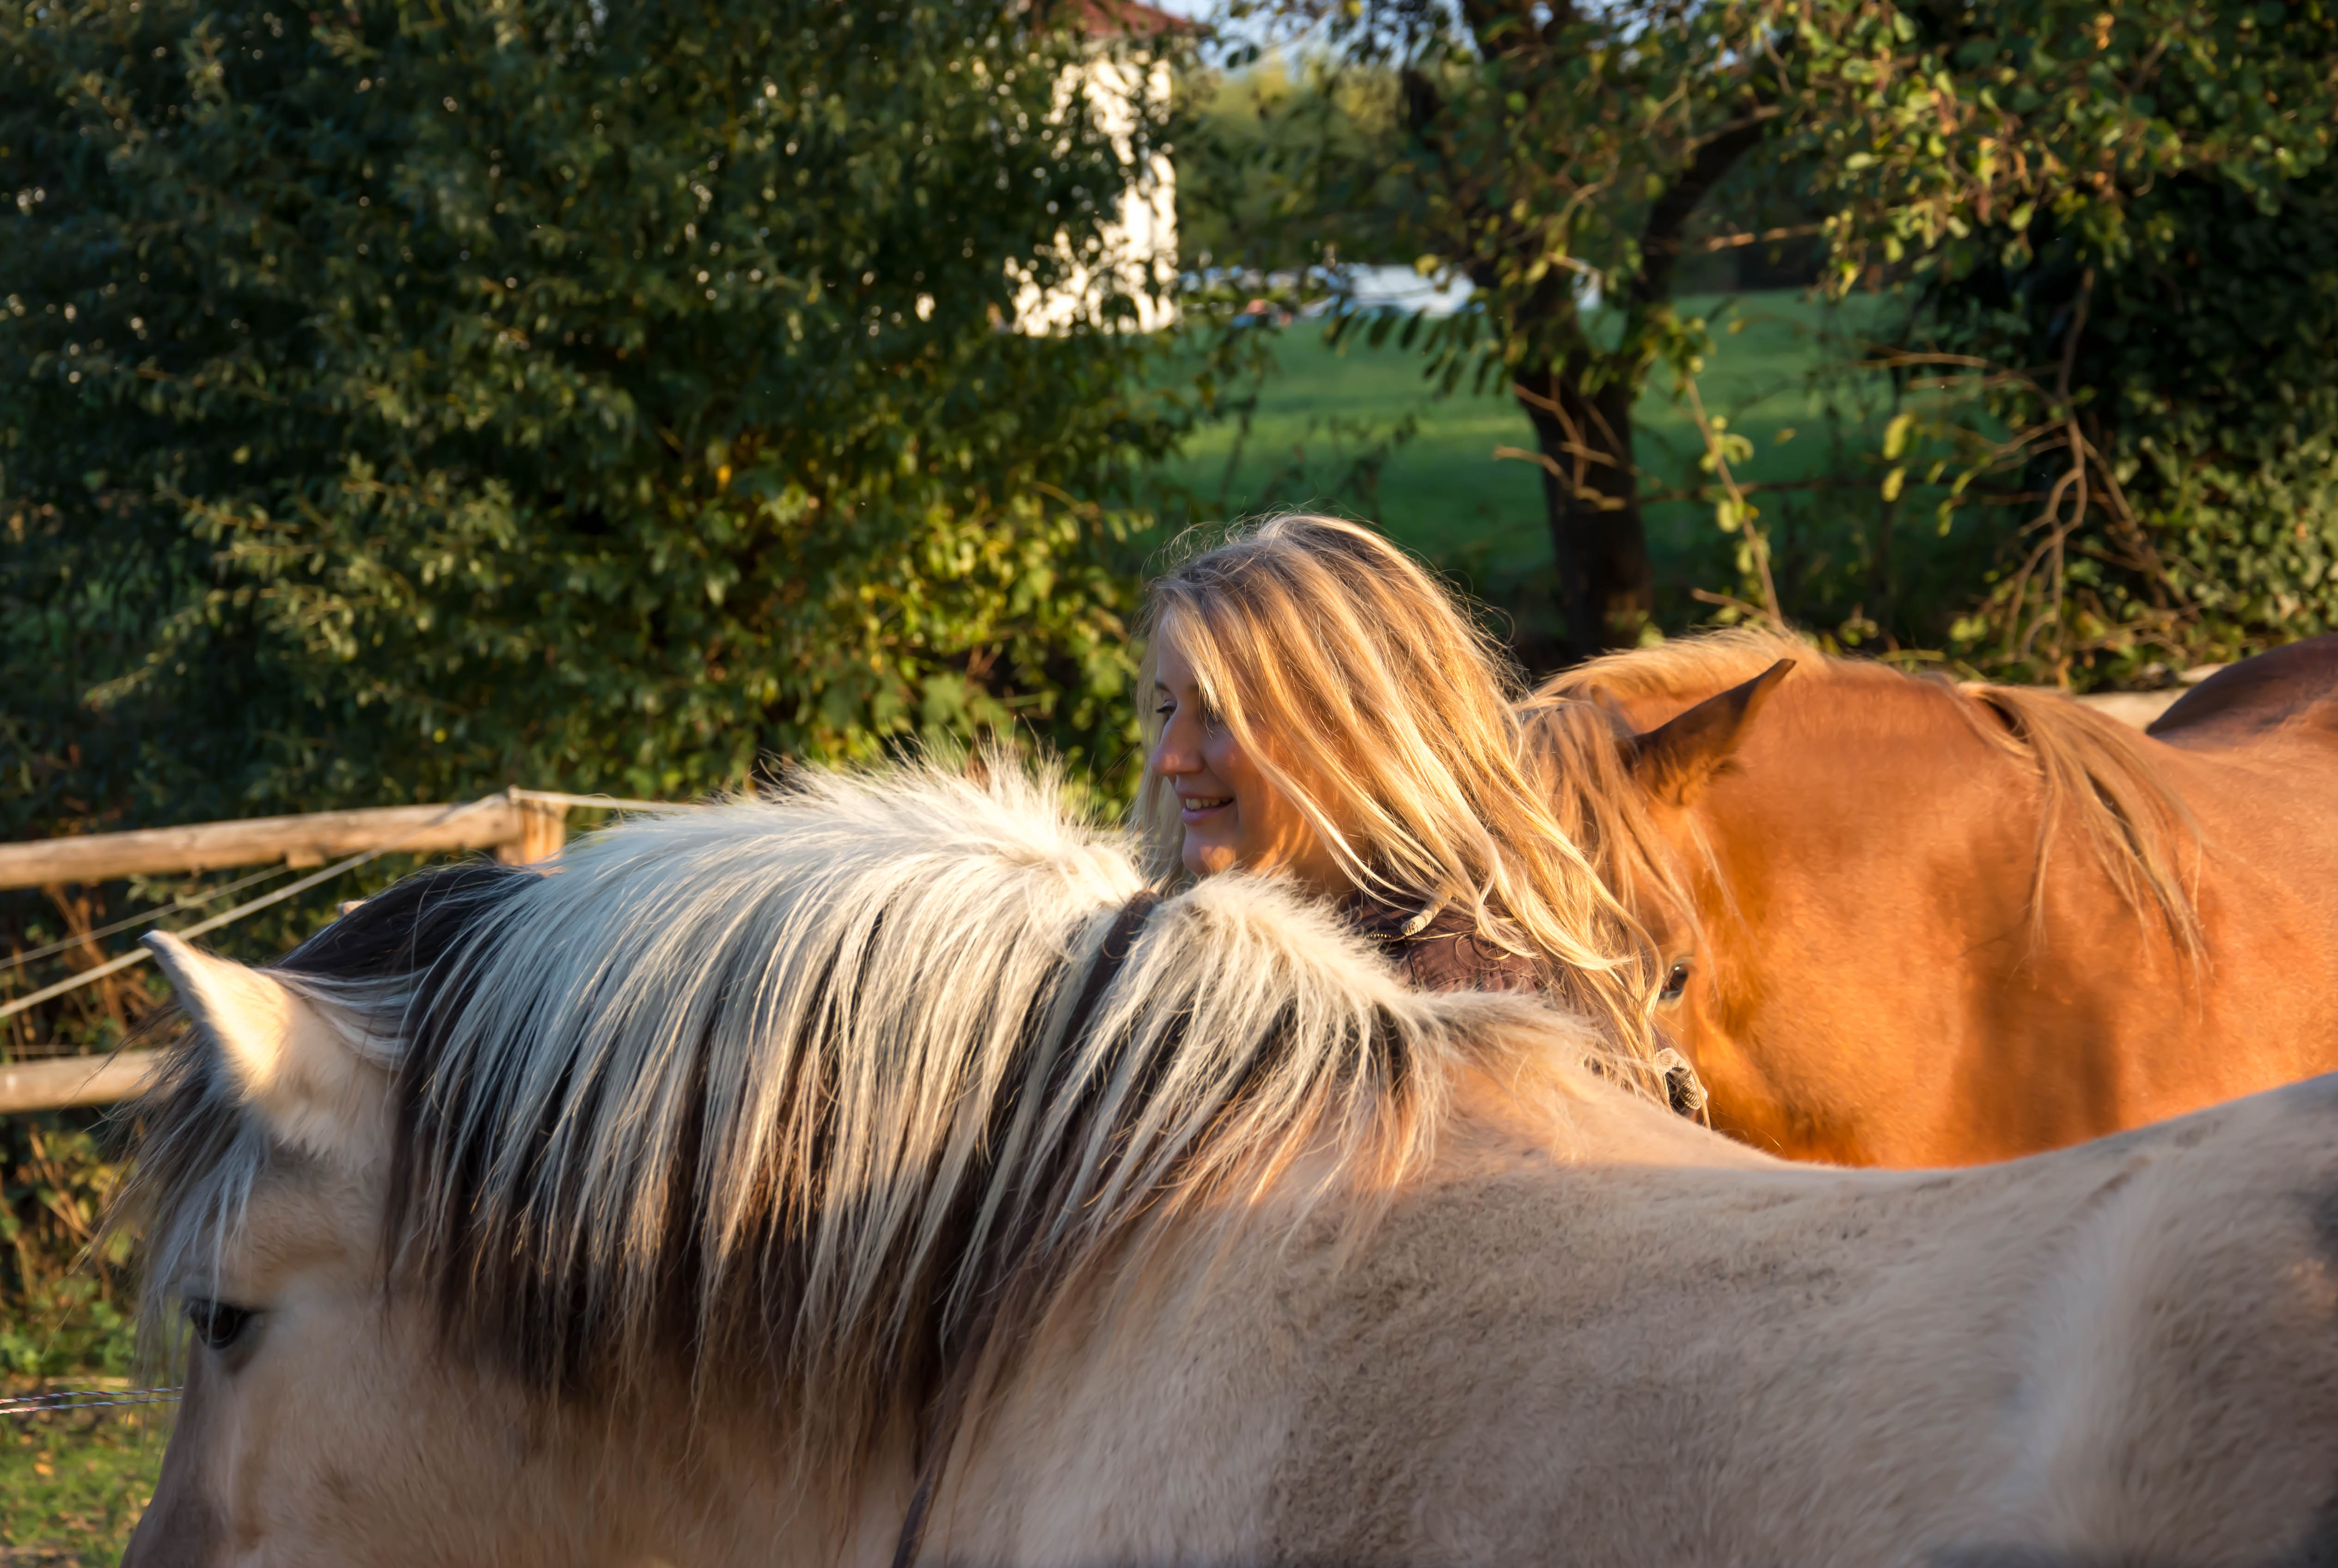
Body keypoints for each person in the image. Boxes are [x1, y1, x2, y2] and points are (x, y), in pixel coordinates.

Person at [1136, 513, 1659, 1064]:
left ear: (1358, 733)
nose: (1166, 757)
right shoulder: (1272, 959)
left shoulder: (1439, 1005)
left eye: (1219, 713)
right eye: (1167, 708)